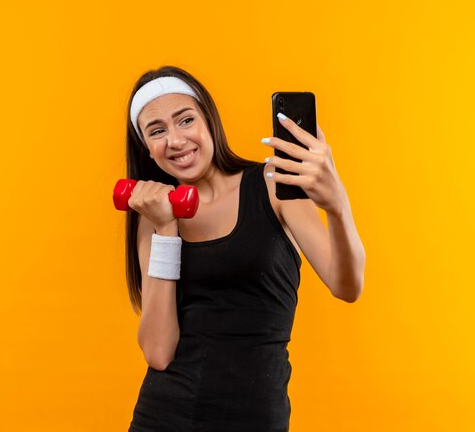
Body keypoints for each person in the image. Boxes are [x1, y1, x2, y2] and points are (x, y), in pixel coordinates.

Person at [123, 65, 365, 431]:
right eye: (157, 131)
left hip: (255, 417)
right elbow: (158, 351)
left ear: (208, 120)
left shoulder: (272, 184)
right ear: (147, 149)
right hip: (164, 416)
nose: (174, 139)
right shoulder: (153, 217)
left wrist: (337, 206)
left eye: (185, 120)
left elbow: (347, 286)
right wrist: (166, 227)